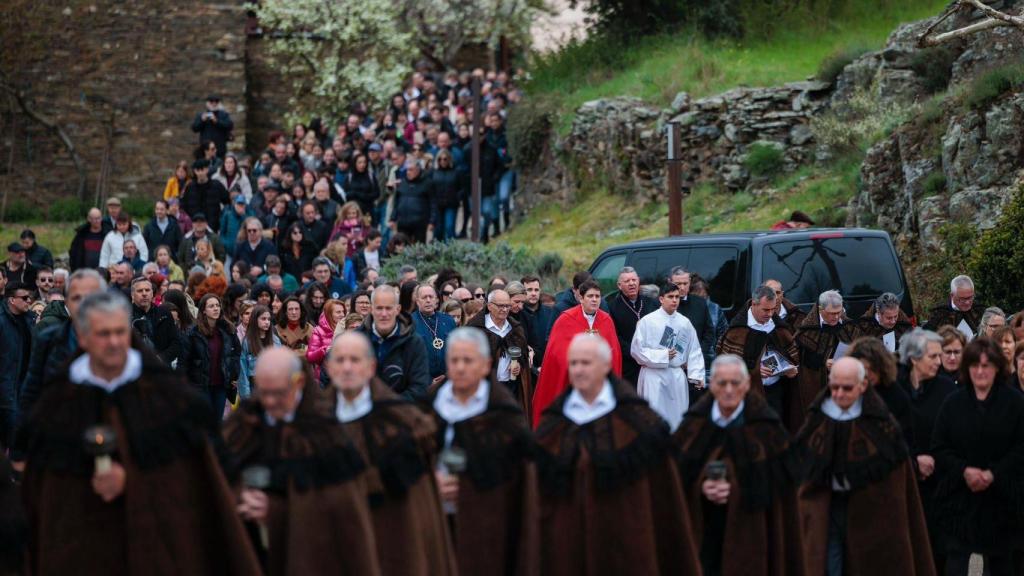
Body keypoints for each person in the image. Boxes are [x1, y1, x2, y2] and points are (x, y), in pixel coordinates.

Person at [19, 291, 261, 575]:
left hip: (156, 546)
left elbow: (193, 481)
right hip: (81, 546)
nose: (113, 342)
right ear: (83, 338)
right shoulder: (56, 405)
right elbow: (43, 497)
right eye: (103, 334)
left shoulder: (171, 399)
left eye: (119, 332)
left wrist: (133, 479)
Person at [536, 333, 701, 575]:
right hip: (567, 551)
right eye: (573, 363)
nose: (578, 370)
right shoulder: (554, 425)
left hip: (626, 546)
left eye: (586, 362)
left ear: (606, 366)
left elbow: (665, 503)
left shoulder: (641, 424)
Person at [223, 347, 381, 575]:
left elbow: (342, 508)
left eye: (278, 393)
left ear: (298, 382)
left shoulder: (327, 432)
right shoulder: (243, 426)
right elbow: (219, 481)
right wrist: (240, 497)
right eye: (264, 393)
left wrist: (278, 511)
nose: (270, 401)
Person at [327, 331, 456, 575]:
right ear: (329, 368)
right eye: (340, 360)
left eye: (355, 360)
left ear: (371, 367)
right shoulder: (315, 424)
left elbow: (419, 506)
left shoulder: (402, 423)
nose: (347, 368)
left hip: (392, 542)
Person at [795, 357, 936, 576]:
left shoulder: (881, 424)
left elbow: (897, 482)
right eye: (834, 387)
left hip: (870, 515)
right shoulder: (817, 420)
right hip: (828, 511)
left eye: (847, 388)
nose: (839, 394)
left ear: (862, 386)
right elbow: (803, 467)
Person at [674, 355, 805, 576]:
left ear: (746, 385)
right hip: (703, 534)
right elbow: (674, 481)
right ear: (711, 385)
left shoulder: (768, 430)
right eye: (722, 383)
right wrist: (701, 485)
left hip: (753, 535)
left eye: (735, 383)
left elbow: (781, 488)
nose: (728, 390)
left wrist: (737, 487)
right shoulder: (693, 427)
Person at [429, 328, 539, 575]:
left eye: (468, 360)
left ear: (485, 365)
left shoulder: (505, 416)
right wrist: (429, 481)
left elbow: (518, 485)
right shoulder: (429, 408)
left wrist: (467, 485)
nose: (460, 367)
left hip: (487, 527)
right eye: (454, 360)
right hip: (435, 526)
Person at [932, 338, 1024, 575]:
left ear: (997, 368)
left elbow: (1021, 447)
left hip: (1003, 501)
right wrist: (964, 470)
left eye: (986, 365)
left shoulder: (1015, 402)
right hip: (960, 499)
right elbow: (940, 447)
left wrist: (993, 474)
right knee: (955, 566)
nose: (980, 372)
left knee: (1003, 566)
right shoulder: (953, 403)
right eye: (975, 365)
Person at [12, 270, 107, 464]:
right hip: (59, 439)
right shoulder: (49, 340)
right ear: (67, 303)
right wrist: (19, 451)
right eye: (76, 297)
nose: (84, 303)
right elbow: (31, 393)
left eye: (91, 297)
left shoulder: (122, 339)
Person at [895, 328, 957, 574]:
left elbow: (955, 436)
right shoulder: (893, 389)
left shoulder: (946, 389)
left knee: (938, 553)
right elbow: (889, 435)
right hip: (903, 484)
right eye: (933, 356)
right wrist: (913, 459)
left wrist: (935, 459)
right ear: (913, 358)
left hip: (940, 486)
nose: (939, 362)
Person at [532, 279, 622, 426]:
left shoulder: (606, 320)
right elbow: (557, 353)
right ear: (581, 298)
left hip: (600, 383)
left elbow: (614, 354)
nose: (594, 300)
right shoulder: (565, 319)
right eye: (590, 296)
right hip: (571, 381)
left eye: (597, 296)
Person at [717, 285, 800, 423]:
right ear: (754, 304)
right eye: (766, 310)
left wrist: (789, 368)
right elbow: (725, 364)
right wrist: (755, 370)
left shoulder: (779, 327)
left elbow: (792, 354)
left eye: (773, 309)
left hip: (775, 391)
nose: (770, 314)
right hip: (746, 392)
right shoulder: (737, 330)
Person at [630, 282, 706, 431]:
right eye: (670, 297)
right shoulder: (648, 321)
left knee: (677, 417)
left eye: (677, 297)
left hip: (676, 376)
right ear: (661, 299)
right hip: (653, 376)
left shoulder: (684, 322)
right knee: (653, 417)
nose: (674, 300)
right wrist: (662, 355)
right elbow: (637, 350)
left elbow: (694, 349)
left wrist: (696, 374)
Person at [352, 285, 431, 401]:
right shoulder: (355, 341)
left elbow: (419, 387)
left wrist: (389, 405)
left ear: (397, 309)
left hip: (402, 409)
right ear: (372, 309)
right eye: (379, 308)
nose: (384, 314)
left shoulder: (414, 342)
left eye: (388, 308)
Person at [793, 290, 857, 432]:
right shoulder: (807, 329)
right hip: (817, 384)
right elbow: (800, 358)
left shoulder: (849, 326)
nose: (836, 317)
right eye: (832, 313)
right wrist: (823, 362)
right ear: (820, 309)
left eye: (839, 312)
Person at [466, 288, 533, 422]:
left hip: (511, 387)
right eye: (500, 306)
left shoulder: (515, 328)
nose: (505, 309)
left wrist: (519, 365)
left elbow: (523, 354)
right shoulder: (476, 328)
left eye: (507, 306)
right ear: (489, 306)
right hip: (484, 388)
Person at [182, 293, 241, 418]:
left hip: (221, 384)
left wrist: (233, 375)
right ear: (203, 310)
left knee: (218, 420)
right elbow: (185, 360)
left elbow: (235, 354)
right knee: (204, 420)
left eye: (217, 305)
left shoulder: (228, 330)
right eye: (211, 306)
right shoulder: (193, 333)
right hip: (200, 385)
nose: (215, 308)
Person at [606, 266, 658, 386]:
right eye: (627, 281)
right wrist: (635, 353)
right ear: (619, 285)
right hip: (629, 365)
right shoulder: (612, 307)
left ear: (638, 281)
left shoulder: (651, 303)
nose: (631, 283)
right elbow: (615, 336)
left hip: (652, 362)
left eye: (634, 280)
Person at [0, 282, 35, 449]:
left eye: (30, 297)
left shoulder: (29, 320)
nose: (29, 301)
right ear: (12, 300)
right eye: (25, 298)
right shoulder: (2, 321)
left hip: (23, 389)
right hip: (6, 391)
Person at [669, 267, 716, 384]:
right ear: (670, 282)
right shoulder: (661, 305)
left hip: (696, 365)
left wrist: (696, 356)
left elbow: (709, 332)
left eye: (685, 283)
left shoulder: (700, 303)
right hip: (670, 366)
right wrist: (676, 359)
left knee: (696, 393)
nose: (682, 287)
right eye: (678, 284)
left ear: (690, 282)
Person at [411, 283, 457, 388]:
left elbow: (457, 351)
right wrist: (428, 381)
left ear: (436, 300)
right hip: (422, 384)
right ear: (417, 301)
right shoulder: (409, 323)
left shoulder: (448, 321)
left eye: (431, 297)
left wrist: (447, 376)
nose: (428, 300)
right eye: (424, 297)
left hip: (448, 382)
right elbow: (409, 358)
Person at [129, 276, 180, 367]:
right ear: (132, 294)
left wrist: (160, 359)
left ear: (152, 293)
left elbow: (175, 343)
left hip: (161, 368)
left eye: (147, 290)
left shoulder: (164, 313)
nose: (144, 294)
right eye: (140, 291)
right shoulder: (125, 316)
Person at [923, 275, 986, 340]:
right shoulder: (939, 313)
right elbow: (927, 337)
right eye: (962, 299)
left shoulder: (979, 310)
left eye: (970, 297)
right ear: (952, 295)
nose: (967, 302)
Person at [238, 305, 280, 399]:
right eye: (263, 319)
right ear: (255, 320)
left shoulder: (275, 340)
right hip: (255, 387)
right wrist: (246, 395)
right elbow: (243, 370)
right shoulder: (247, 342)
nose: (267, 322)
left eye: (269, 319)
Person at [389, 159, 433, 243]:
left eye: (411, 170)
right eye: (407, 170)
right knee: (402, 245)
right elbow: (396, 203)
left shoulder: (427, 183)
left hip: (419, 222)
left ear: (418, 170)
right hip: (403, 222)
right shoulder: (402, 183)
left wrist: (432, 221)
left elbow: (433, 203)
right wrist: (392, 218)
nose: (408, 172)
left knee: (419, 247)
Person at [181, 159, 230, 232]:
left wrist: (220, 218)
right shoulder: (190, 187)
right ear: (194, 171)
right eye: (198, 170)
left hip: (213, 227)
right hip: (194, 227)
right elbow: (184, 205)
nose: (200, 173)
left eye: (202, 170)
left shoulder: (216, 185)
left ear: (207, 170)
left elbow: (227, 201)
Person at [520, 275, 556, 370]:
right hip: (526, 369)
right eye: (529, 290)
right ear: (522, 292)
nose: (533, 293)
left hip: (548, 366)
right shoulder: (517, 314)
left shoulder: (550, 313)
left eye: (536, 290)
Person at [306, 299, 345, 380]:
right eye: (338, 312)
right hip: (324, 377)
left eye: (343, 312)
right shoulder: (318, 331)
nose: (342, 315)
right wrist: (325, 350)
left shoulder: (348, 328)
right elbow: (310, 356)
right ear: (329, 314)